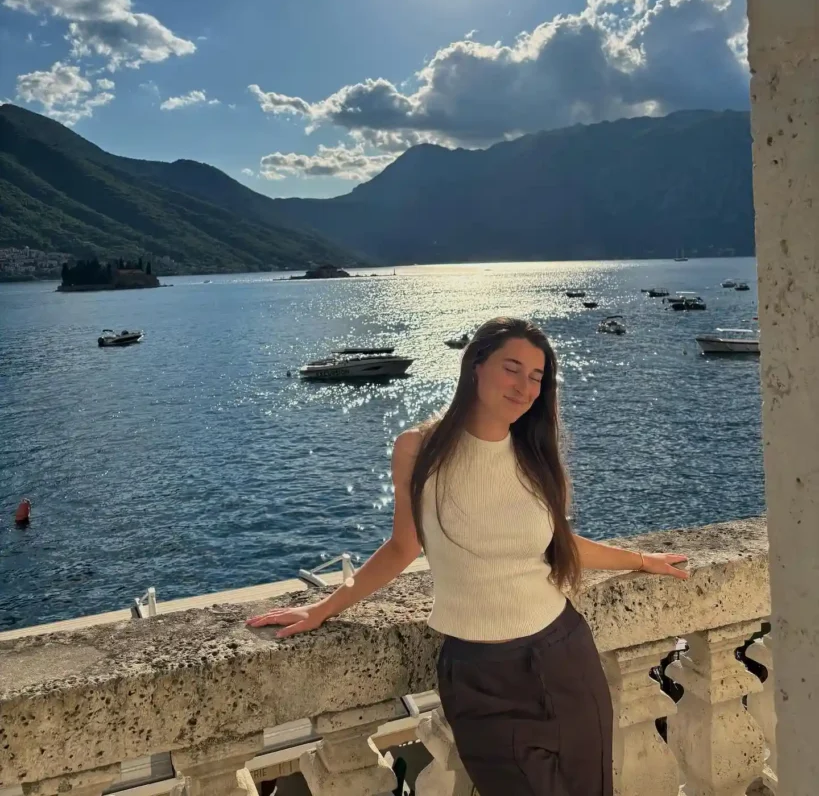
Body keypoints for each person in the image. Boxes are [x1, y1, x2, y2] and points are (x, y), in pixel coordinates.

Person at [248, 317, 689, 795]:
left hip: (565, 655)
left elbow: (558, 545)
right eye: (511, 369)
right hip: (481, 674)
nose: (524, 387)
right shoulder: (418, 449)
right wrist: (322, 608)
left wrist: (641, 560)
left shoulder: (533, 455)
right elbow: (402, 548)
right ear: (475, 366)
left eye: (536, 377)